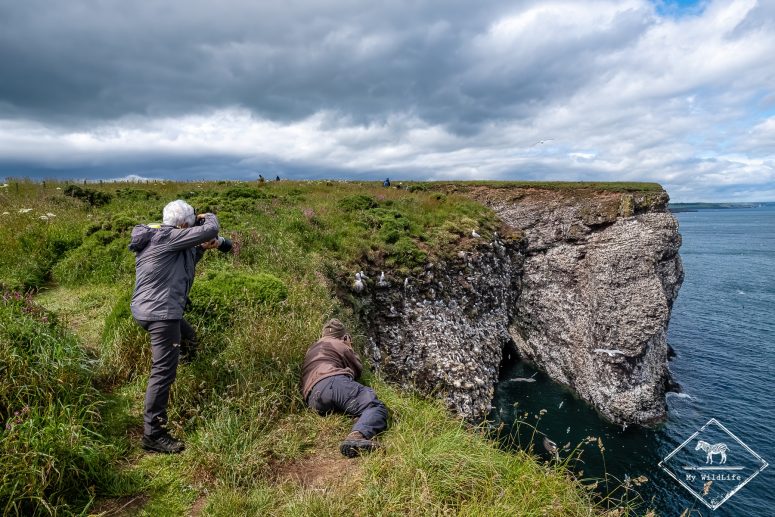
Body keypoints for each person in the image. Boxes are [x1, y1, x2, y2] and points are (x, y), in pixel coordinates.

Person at [128, 200, 227, 453]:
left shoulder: (164, 239)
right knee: (162, 373)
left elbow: (188, 259)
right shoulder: (166, 237)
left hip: (150, 308)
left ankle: (192, 378)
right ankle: (154, 434)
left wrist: (206, 248)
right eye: (191, 223)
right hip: (161, 314)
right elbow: (210, 229)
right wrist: (209, 217)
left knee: (189, 338)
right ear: (183, 225)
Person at [301, 319, 388, 457]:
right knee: (374, 405)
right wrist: (348, 346)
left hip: (312, 398)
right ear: (343, 335)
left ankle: (359, 420)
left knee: (350, 405)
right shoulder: (340, 344)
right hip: (333, 382)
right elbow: (358, 370)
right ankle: (356, 437)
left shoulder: (313, 348)